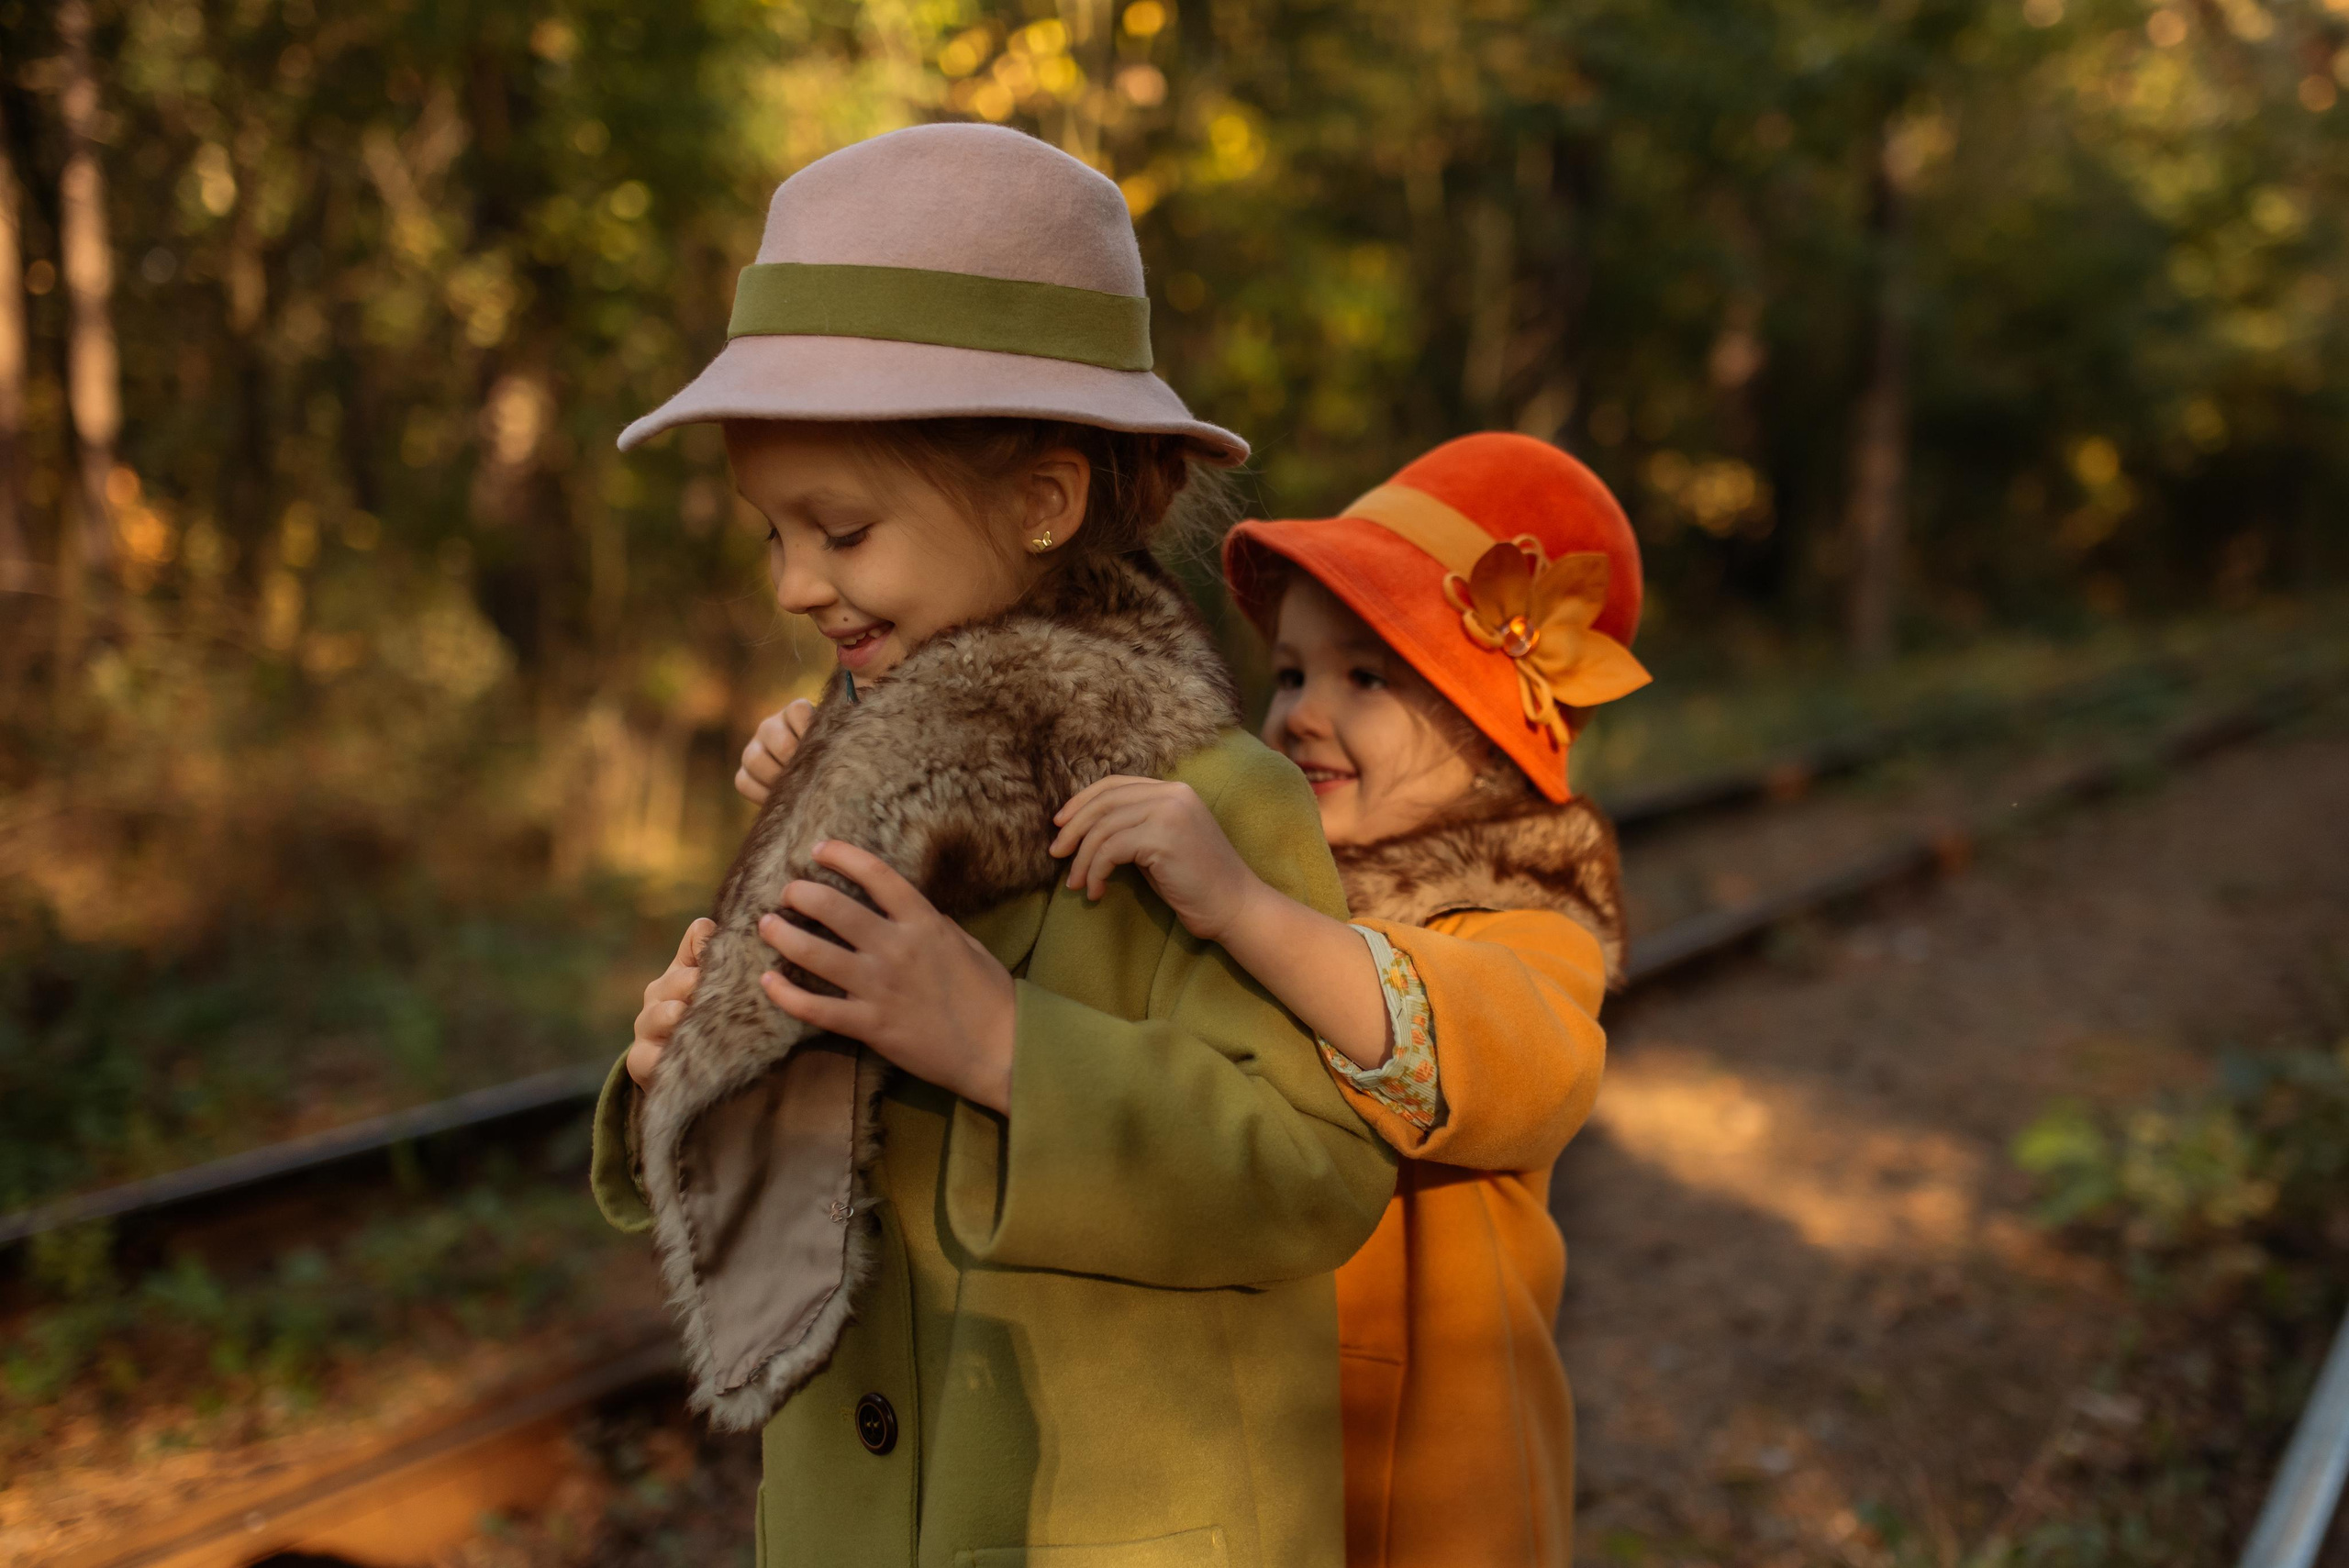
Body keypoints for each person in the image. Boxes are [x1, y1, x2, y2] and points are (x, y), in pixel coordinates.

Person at [597, 123, 1394, 1568]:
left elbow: (1319, 1172)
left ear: (1042, 500)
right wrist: (687, 1051)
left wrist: (1004, 1042)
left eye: (839, 529)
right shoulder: (849, 779)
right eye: (770, 533)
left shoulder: (1208, 803)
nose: (792, 584)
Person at [1051, 432, 1649, 1568]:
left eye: (1365, 675)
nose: (1300, 714)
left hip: (1416, 1490)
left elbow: (1493, 1053)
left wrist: (1244, 908)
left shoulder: (1525, 923)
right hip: (1245, 1442)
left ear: (1490, 742)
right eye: (1287, 673)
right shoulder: (1266, 888)